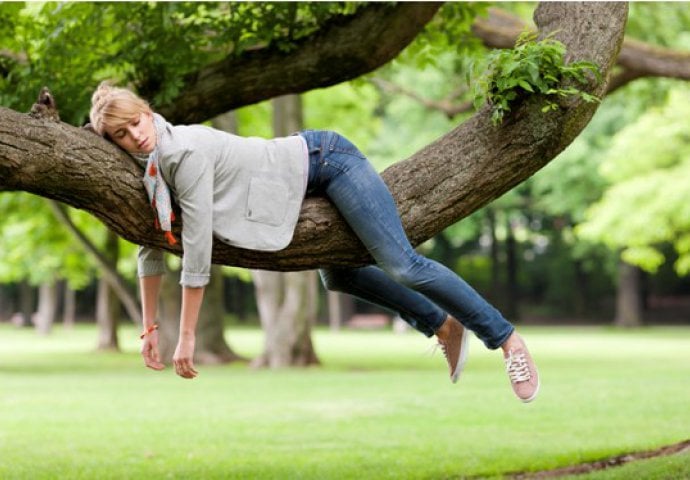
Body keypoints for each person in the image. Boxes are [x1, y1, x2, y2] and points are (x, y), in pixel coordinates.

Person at [89, 82, 540, 403]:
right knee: (338, 276)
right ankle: (442, 324)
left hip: (326, 160)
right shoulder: (151, 171)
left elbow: (196, 250)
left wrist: (185, 336)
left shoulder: (179, 151)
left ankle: (507, 340)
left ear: (147, 112)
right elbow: (152, 244)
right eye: (122, 136)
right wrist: (150, 329)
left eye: (135, 123)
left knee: (402, 264)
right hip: (296, 185)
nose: (135, 136)